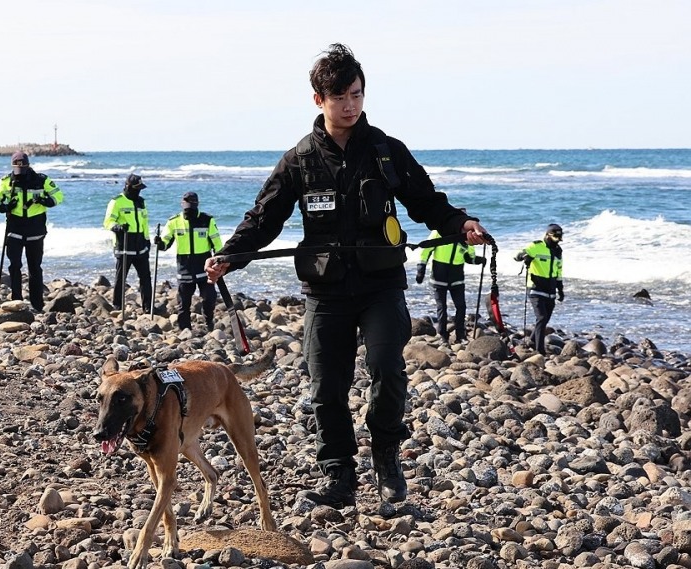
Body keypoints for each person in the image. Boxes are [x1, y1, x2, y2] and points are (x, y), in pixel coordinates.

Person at [205, 43, 487, 507]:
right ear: (319, 99)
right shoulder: (299, 160)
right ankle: (340, 478)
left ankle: (387, 458)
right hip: (325, 290)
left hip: (381, 286)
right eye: (340, 96)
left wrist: (461, 224)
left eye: (356, 94)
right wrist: (231, 255)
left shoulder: (386, 152)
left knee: (387, 370)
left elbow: (427, 202)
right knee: (326, 386)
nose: (350, 104)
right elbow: (264, 218)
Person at [0, 152, 63, 311]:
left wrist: (45, 201)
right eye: (17, 167)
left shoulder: (42, 180)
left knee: (35, 267)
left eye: (23, 167)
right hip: (14, 229)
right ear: (13, 167)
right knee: (14, 265)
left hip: (35, 230)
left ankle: (37, 303)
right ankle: (17, 299)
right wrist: (4, 207)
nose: (20, 171)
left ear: (28, 165)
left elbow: (58, 196)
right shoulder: (6, 182)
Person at [156, 191, 223, 330]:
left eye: (191, 207)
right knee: (183, 302)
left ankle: (209, 323)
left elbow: (217, 243)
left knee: (209, 299)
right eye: (186, 207)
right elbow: (165, 244)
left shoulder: (207, 220)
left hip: (204, 267)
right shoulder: (174, 221)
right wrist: (159, 243)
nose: (188, 210)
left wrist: (220, 260)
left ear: (197, 205)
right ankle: (185, 330)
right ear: (182, 205)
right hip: (184, 267)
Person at [415, 221, 485, 344]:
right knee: (442, 307)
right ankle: (443, 336)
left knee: (461, 307)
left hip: (457, 278)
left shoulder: (467, 237)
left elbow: (469, 258)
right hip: (439, 277)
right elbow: (427, 249)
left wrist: (479, 260)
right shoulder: (438, 232)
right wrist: (421, 268)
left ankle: (460, 336)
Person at [104, 174, 152, 313]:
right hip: (124, 245)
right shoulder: (116, 202)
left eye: (140, 188)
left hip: (141, 246)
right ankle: (118, 305)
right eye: (136, 188)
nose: (139, 191)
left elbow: (145, 223)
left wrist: (147, 240)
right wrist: (117, 227)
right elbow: (108, 222)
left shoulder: (141, 202)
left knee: (145, 278)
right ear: (128, 186)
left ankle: (148, 307)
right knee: (121, 278)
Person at [514, 224, 564, 355]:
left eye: (560, 237)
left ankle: (532, 340)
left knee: (545, 319)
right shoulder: (536, 246)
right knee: (541, 317)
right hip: (536, 288)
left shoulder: (558, 250)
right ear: (548, 235)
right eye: (556, 236)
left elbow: (559, 270)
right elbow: (516, 255)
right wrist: (525, 256)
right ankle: (539, 350)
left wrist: (560, 289)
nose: (558, 239)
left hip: (551, 289)